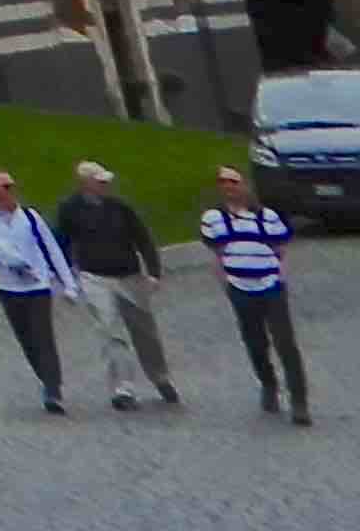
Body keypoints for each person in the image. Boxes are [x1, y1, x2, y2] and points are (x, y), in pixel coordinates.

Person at [53, 160, 179, 410]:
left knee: (144, 331)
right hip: (94, 278)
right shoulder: (70, 209)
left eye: (106, 182)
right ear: (86, 184)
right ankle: (123, 388)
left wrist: (153, 272)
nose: (105, 185)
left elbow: (143, 238)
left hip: (130, 277)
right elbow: (62, 243)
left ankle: (159, 376)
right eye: (100, 182)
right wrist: (65, 278)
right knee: (111, 332)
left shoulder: (120, 208)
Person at [203, 165, 312, 423]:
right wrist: (227, 284)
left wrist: (273, 270)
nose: (229, 187)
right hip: (240, 288)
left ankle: (299, 401)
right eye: (224, 183)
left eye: (234, 182)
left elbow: (281, 248)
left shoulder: (268, 217)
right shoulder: (212, 219)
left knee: (286, 344)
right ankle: (268, 383)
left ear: (245, 186)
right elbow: (217, 253)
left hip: (271, 287)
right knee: (255, 342)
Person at [0, 167, 80, 413]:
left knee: (43, 336)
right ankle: (45, 377)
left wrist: (69, 284)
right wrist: (3, 257)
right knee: (27, 339)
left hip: (38, 286)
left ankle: (53, 389)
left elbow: (52, 250)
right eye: (5, 186)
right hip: (8, 288)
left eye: (12, 185)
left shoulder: (30, 217)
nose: (11, 191)